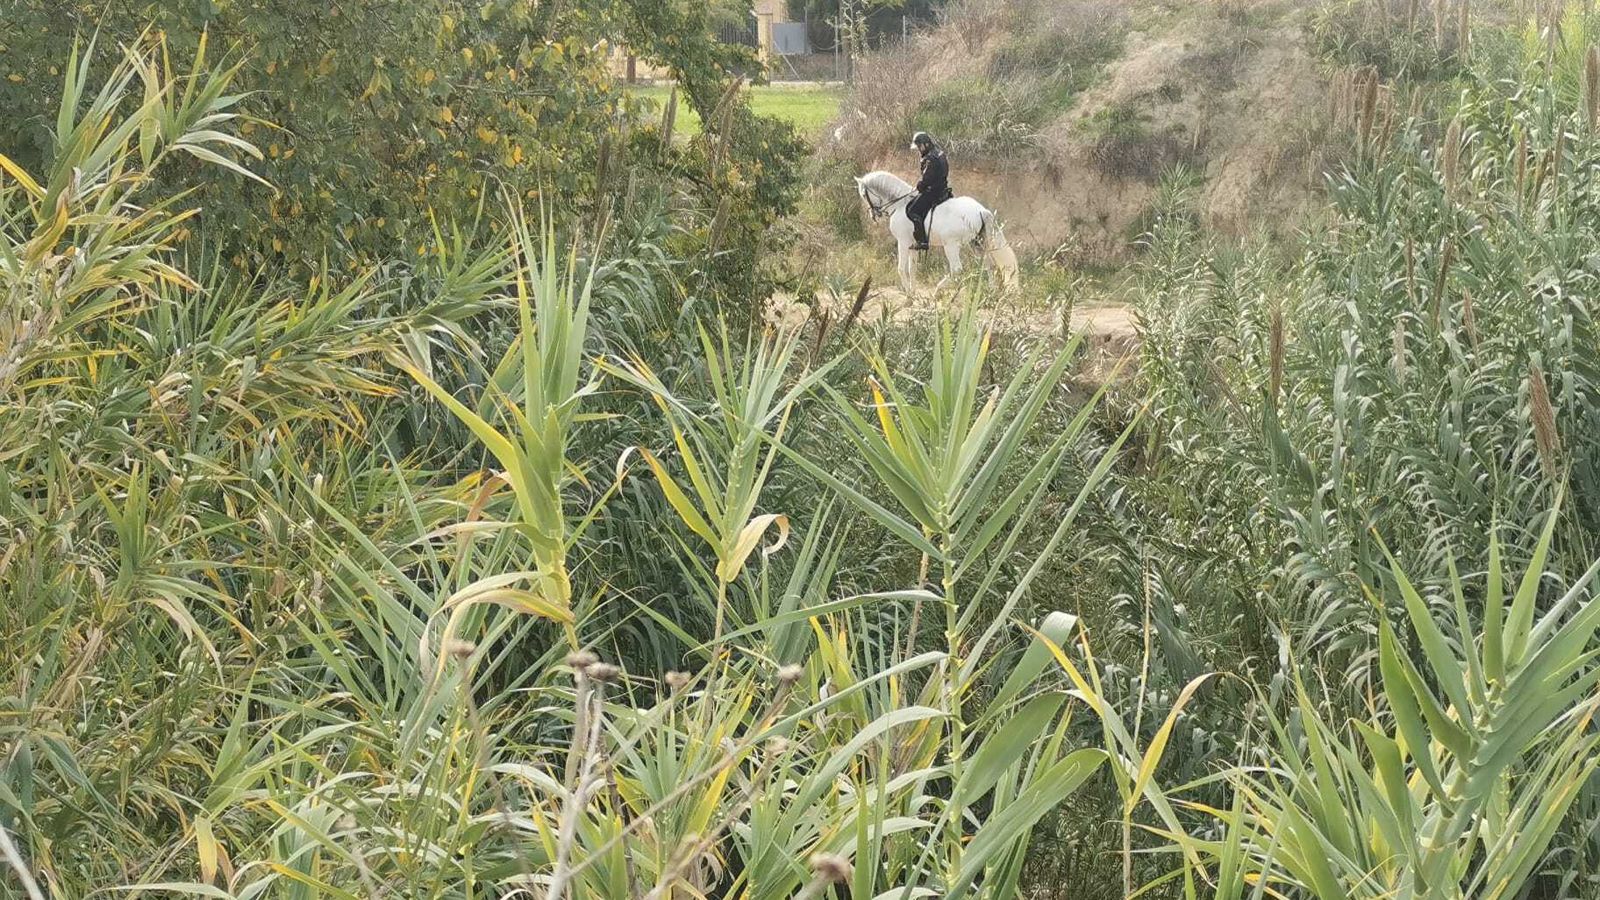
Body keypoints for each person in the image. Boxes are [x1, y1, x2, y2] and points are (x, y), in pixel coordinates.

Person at [906, 131, 951, 251]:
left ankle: (922, 241)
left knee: (912, 210)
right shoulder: (939, 153)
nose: (919, 150)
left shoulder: (930, 158)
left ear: (925, 144)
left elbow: (927, 178)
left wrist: (920, 186)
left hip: (933, 192)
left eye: (919, 147)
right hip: (943, 188)